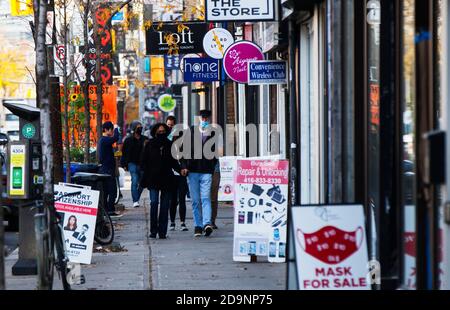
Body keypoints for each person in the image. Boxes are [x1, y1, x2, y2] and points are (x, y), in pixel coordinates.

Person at [180, 110, 218, 237]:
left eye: (207, 118)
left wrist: (212, 166)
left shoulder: (213, 132)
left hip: (206, 170)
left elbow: (216, 151)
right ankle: (198, 225)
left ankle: (207, 223)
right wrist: (184, 166)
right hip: (193, 171)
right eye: (203, 118)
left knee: (206, 198)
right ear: (199, 119)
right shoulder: (191, 131)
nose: (205, 120)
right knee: (195, 200)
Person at [140, 123, 181, 239]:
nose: (161, 133)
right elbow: (143, 161)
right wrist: (145, 174)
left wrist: (180, 169)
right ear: (155, 132)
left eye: (163, 131)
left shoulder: (170, 145)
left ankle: (162, 231)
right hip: (153, 179)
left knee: (164, 206)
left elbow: (174, 162)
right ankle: (153, 231)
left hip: (167, 179)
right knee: (153, 204)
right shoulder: (149, 145)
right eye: (159, 131)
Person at [166, 116, 189, 232]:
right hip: (171, 175)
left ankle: (183, 222)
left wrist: (185, 168)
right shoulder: (166, 141)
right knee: (173, 200)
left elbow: (185, 157)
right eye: (168, 125)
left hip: (181, 174)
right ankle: (172, 222)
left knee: (182, 199)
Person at [98, 121, 122, 218]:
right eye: (111, 130)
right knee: (112, 190)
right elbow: (116, 138)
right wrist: (116, 127)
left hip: (106, 169)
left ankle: (106, 210)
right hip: (107, 170)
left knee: (107, 191)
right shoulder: (104, 140)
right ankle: (110, 210)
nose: (112, 132)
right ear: (107, 130)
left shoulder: (103, 140)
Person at [121, 120, 147, 208]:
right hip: (132, 163)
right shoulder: (128, 140)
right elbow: (124, 153)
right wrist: (124, 164)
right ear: (134, 129)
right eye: (138, 127)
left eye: (141, 127)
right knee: (134, 180)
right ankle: (135, 201)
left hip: (143, 164)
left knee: (143, 183)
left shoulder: (145, 139)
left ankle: (137, 198)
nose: (140, 129)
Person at [210, 161, 221, 229]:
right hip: (201, 169)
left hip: (214, 170)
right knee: (203, 197)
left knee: (213, 197)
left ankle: (212, 220)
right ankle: (204, 221)